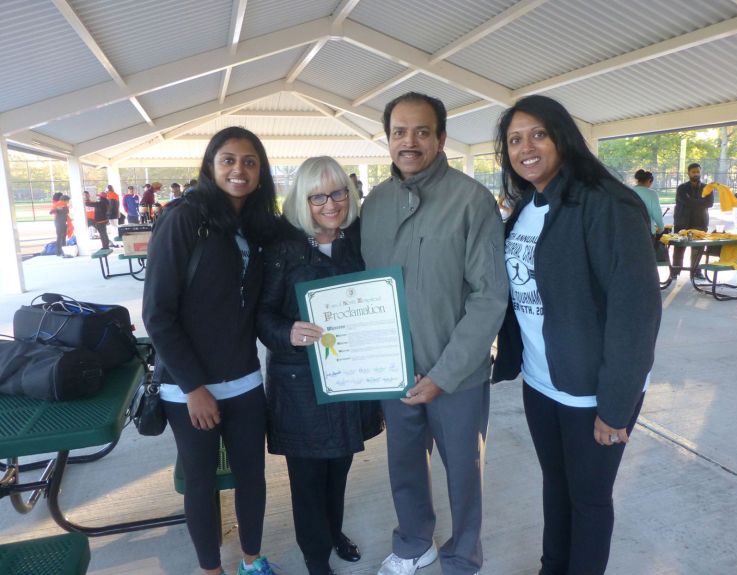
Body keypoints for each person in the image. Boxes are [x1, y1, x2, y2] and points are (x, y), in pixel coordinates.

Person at [492, 95, 661, 575]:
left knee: (588, 498)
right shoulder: (528, 205)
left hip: (593, 391)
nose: (526, 147)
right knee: (555, 483)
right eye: (515, 139)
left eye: (538, 134)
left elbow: (637, 312)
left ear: (563, 136)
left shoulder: (608, 203)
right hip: (542, 381)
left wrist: (615, 405)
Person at [361, 92, 508, 575]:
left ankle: (463, 555)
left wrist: (445, 373)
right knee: (404, 464)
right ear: (387, 140)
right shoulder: (375, 204)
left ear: (441, 138)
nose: (410, 141)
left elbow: (489, 297)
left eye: (422, 131)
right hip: (394, 370)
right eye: (400, 131)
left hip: (456, 375)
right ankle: (412, 542)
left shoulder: (471, 200)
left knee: (464, 471)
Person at [143, 127, 279, 575]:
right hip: (189, 388)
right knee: (201, 483)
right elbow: (157, 314)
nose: (238, 169)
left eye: (249, 161)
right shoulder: (183, 219)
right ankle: (210, 569)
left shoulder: (257, 226)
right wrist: (193, 386)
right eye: (228, 159)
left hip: (243, 380)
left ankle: (252, 559)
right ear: (210, 165)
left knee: (251, 477)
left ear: (260, 174)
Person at [257, 156, 383, 575]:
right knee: (308, 478)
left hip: (348, 376)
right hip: (300, 382)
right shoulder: (284, 248)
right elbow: (262, 314)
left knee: (340, 466)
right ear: (301, 200)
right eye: (318, 197)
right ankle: (315, 557)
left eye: (339, 193)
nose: (331, 204)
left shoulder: (357, 240)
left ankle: (334, 532)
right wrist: (287, 331)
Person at [672, 162, 713, 278]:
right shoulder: (681, 188)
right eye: (693, 172)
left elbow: (709, 203)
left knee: (698, 248)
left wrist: (693, 201)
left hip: (700, 222)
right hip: (682, 222)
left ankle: (695, 271)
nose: (696, 174)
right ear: (688, 173)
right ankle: (675, 271)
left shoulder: (707, 188)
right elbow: (685, 201)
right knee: (679, 247)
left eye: (698, 172)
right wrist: (700, 202)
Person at [632, 169, 665, 234]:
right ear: (649, 181)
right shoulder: (652, 194)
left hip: (631, 230)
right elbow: (656, 213)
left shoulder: (629, 191)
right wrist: (661, 227)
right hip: (647, 230)